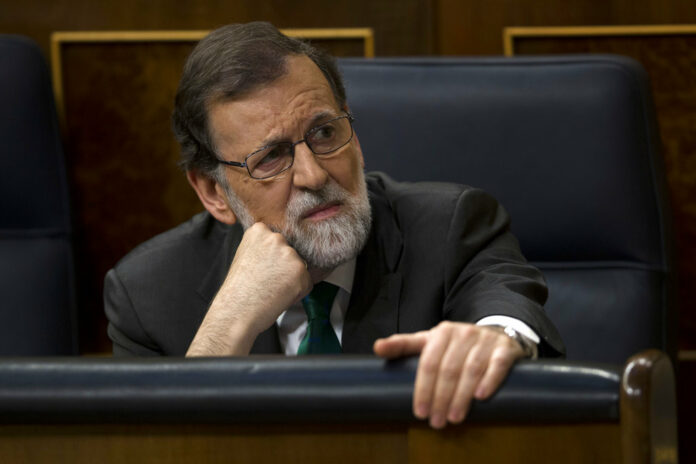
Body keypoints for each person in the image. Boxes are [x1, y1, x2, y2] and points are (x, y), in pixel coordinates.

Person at [104, 21, 564, 429]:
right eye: (271, 157)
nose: (314, 175)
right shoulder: (147, 295)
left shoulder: (449, 227)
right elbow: (155, 449)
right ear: (213, 192)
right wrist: (229, 324)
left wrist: (496, 340)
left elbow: (507, 310)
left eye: (324, 133)